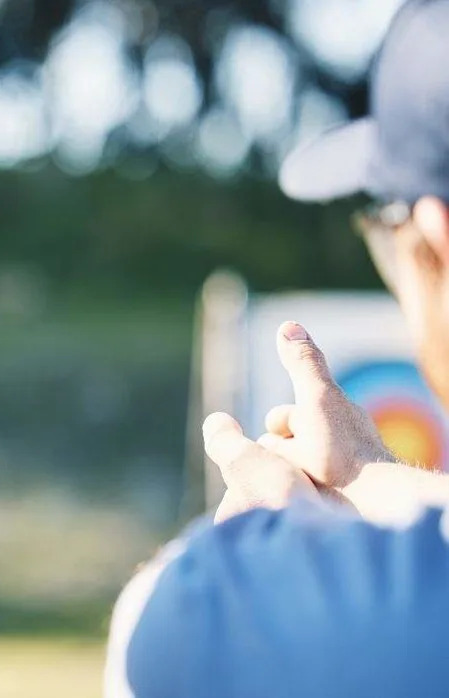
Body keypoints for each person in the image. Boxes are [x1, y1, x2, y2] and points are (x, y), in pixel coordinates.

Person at [106, 1, 449, 696]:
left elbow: (158, 625)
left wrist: (277, 553)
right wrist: (374, 483)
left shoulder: (217, 610)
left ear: (437, 232)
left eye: (388, 229)